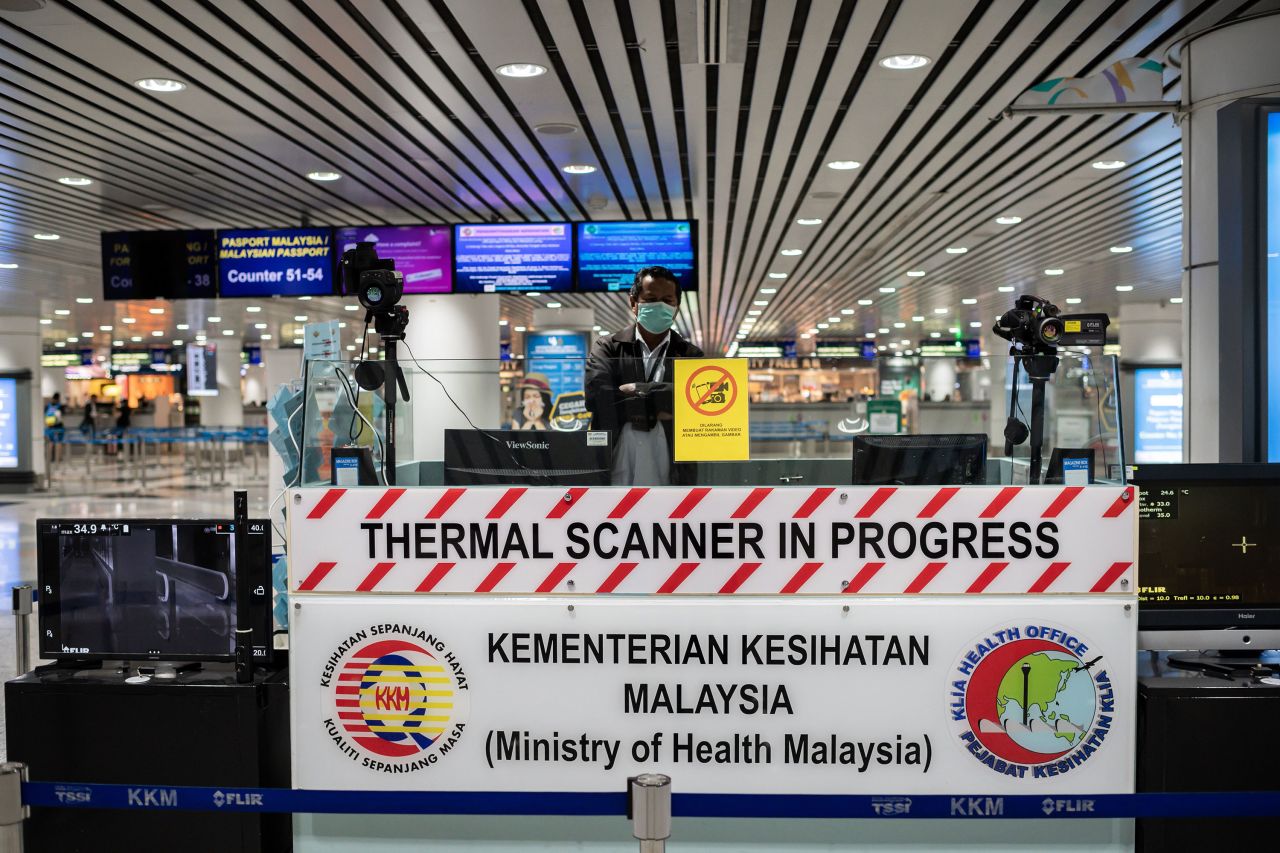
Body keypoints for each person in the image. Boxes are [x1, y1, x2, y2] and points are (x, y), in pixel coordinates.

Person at [585, 265, 703, 486]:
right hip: (616, 460)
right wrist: (666, 401)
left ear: (677, 306)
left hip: (672, 468)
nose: (660, 305)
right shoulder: (608, 347)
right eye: (651, 299)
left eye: (668, 300)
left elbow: (696, 405)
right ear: (633, 303)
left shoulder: (690, 355)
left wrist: (635, 390)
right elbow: (597, 397)